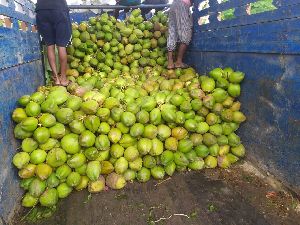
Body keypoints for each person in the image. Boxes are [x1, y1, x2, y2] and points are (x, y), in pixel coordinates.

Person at [36, 0, 72, 86]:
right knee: (61, 46)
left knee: (50, 45)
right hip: (58, 8)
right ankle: (63, 79)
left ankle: (56, 79)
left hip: (42, 10)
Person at [167, 0, 193, 69]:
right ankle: (179, 62)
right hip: (182, 4)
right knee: (186, 33)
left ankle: (170, 62)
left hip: (174, 4)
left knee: (172, 31)